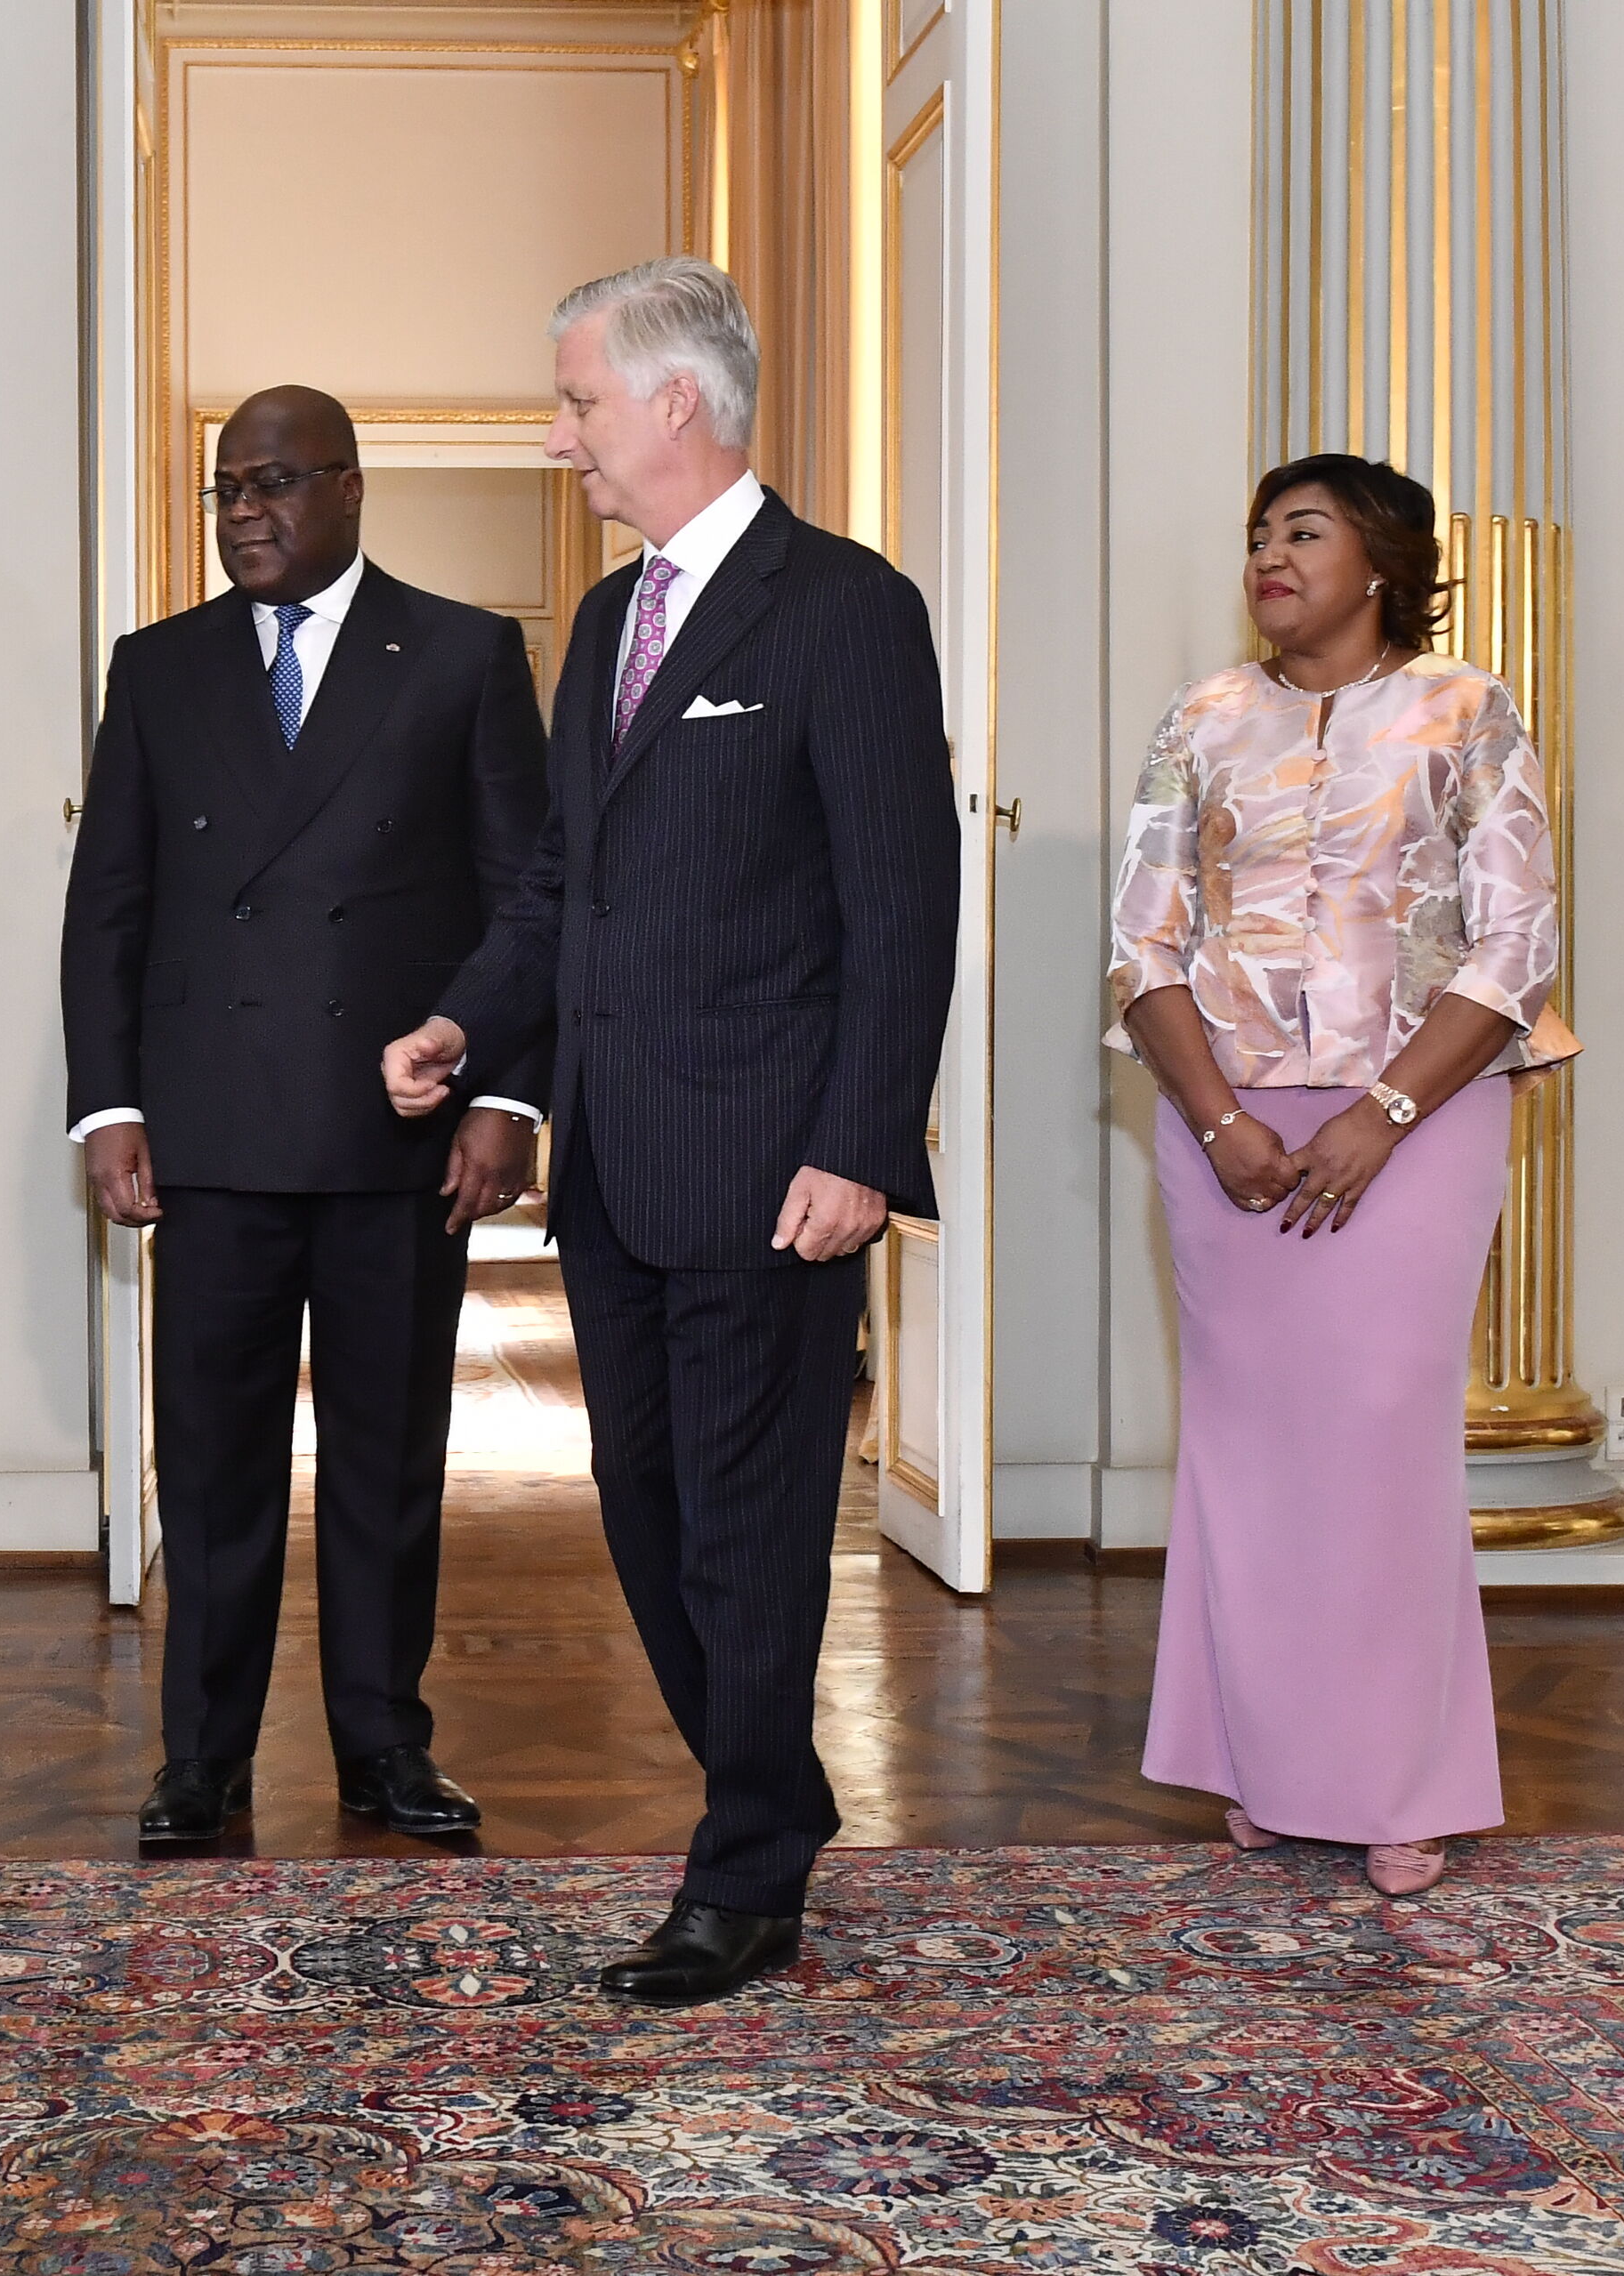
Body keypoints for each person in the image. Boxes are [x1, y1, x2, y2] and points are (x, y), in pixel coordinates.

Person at [383, 256, 959, 2005]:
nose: (560, 438)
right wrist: (468, 1022)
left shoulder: (843, 608)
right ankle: (773, 1790)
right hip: (619, 1170)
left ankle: (746, 1873)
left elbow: (904, 903)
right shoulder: (606, 619)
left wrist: (861, 1145)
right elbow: (564, 881)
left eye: (578, 403)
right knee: (647, 1515)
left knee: (748, 1528)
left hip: (776, 1168)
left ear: (675, 402)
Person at [60, 386, 548, 1847]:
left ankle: (385, 1746)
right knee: (213, 1463)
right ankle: (201, 1758)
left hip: (396, 1131)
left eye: (274, 483)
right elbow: (111, 903)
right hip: (211, 1126)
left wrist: (506, 1090)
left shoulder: (461, 652)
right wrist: (110, 1102)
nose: (246, 512)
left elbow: (523, 894)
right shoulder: (159, 667)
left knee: (389, 1460)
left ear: (349, 486)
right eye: (227, 489)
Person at [1107, 453, 1571, 1899]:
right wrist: (1215, 1119)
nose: (1270, 553)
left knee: (1380, 1444)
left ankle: (1397, 1781)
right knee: (1247, 1452)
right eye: (1259, 532)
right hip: (1224, 1129)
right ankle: (1259, 1761)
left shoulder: (1466, 708)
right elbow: (1141, 944)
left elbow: (1516, 945)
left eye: (1302, 530)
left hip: (1421, 1122)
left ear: (1380, 563)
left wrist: (1381, 1113)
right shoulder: (1201, 717)